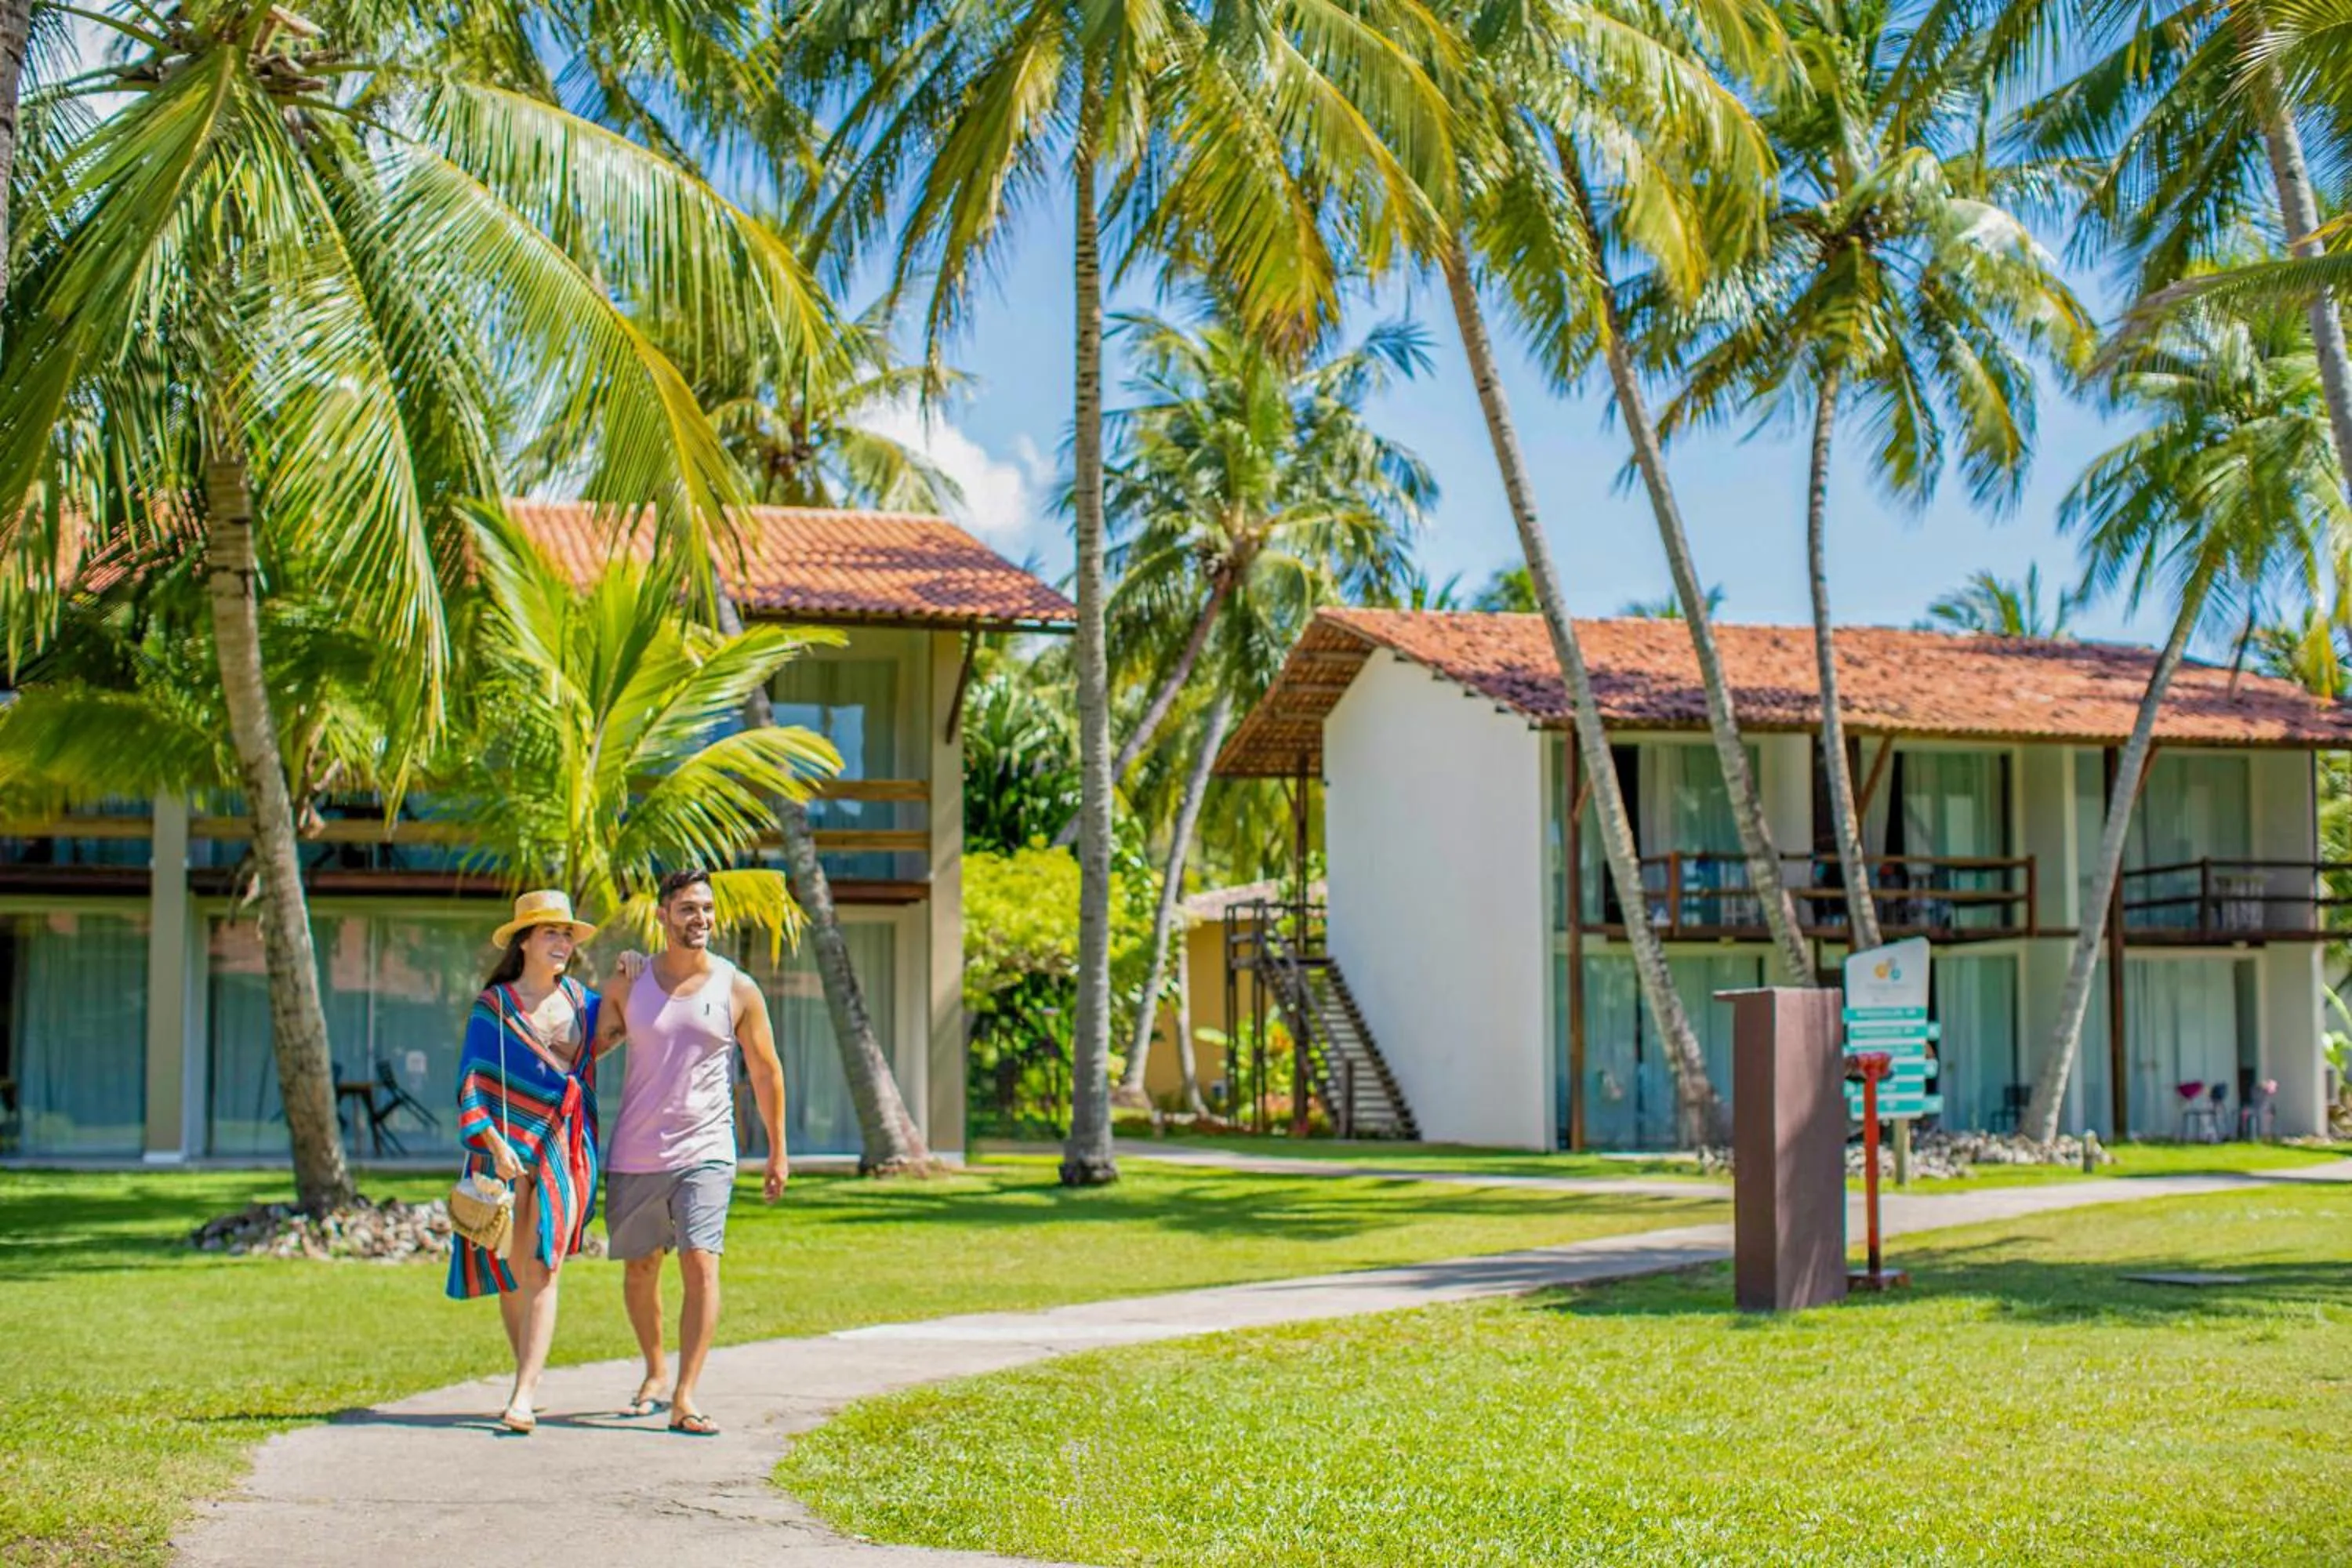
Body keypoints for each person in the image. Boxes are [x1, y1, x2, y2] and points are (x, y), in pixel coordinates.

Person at [593, 868, 788, 1437]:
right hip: (636, 1149)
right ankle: (655, 1372)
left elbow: (766, 1071)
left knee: (701, 1263)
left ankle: (686, 1394)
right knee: (640, 1270)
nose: (699, 919)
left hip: (707, 1148)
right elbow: (593, 1047)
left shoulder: (737, 987)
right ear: (662, 916)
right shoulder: (632, 981)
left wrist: (778, 1152)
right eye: (687, 909)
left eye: (705, 908)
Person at [447, 888, 630, 1435]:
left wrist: (627, 974)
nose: (562, 942)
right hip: (502, 1148)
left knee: (544, 1264)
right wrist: (494, 1145)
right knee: (510, 1271)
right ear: (524, 939)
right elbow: (470, 1081)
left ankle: (524, 1392)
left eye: (567, 934)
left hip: (563, 1146)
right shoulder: (494, 1005)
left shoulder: (582, 1002)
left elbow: (619, 1029)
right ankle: (525, 1372)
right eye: (551, 932)